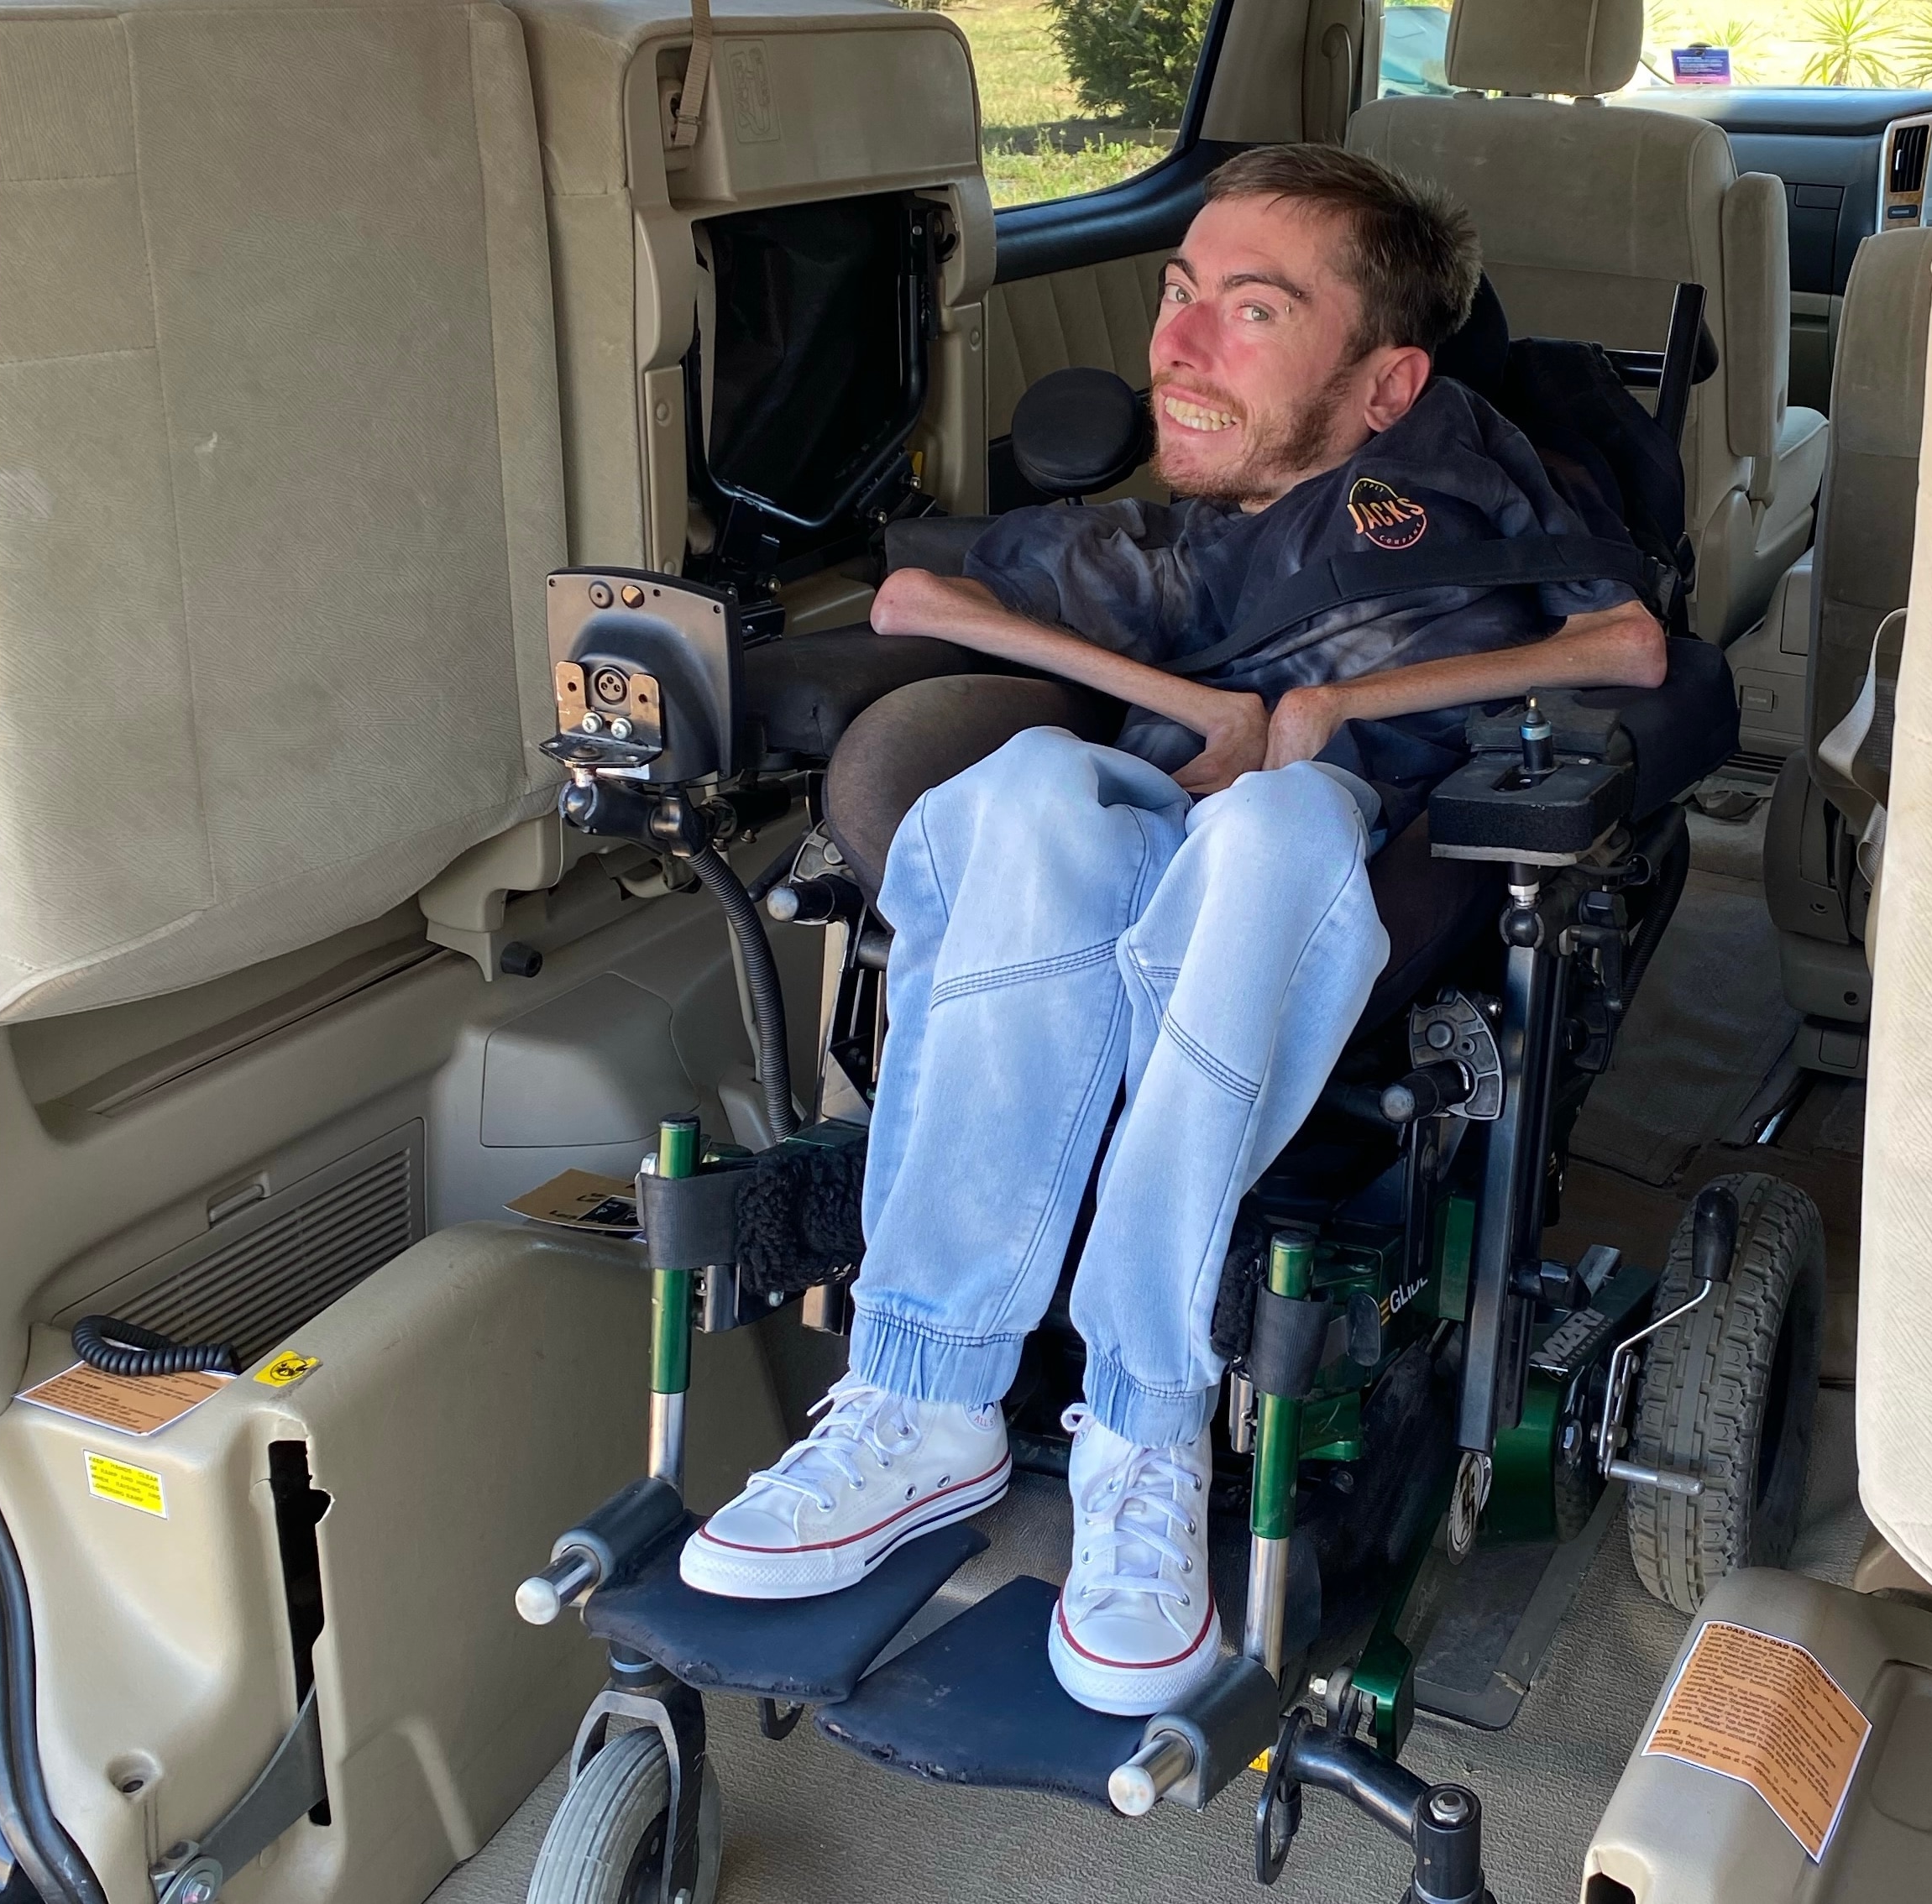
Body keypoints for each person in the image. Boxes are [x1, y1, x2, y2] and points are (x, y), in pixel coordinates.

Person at [679, 145, 1667, 1718]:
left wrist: (1330, 704)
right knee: (1023, 794)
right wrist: (1206, 702)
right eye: (1177, 291)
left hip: (1353, 879)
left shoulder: (1469, 482)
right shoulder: (1163, 552)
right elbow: (910, 607)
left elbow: (1632, 646)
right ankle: (923, 1395)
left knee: (1275, 818)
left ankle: (1147, 1421)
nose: (1179, 348)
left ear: (1387, 382)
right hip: (1151, 860)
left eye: (1251, 310)